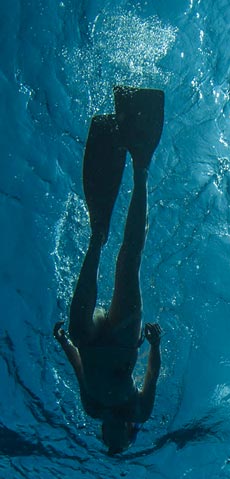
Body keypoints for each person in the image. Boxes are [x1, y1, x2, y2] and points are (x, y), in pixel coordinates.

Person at [52, 86, 165, 455]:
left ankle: (97, 232)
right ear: (130, 432)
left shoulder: (92, 407)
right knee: (128, 261)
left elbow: (79, 367)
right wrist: (155, 345)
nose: (113, 433)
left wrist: (65, 343)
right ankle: (141, 170)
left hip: (89, 338)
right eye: (122, 437)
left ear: (102, 434)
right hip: (121, 339)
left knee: (79, 318)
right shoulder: (140, 410)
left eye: (107, 437)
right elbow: (151, 375)